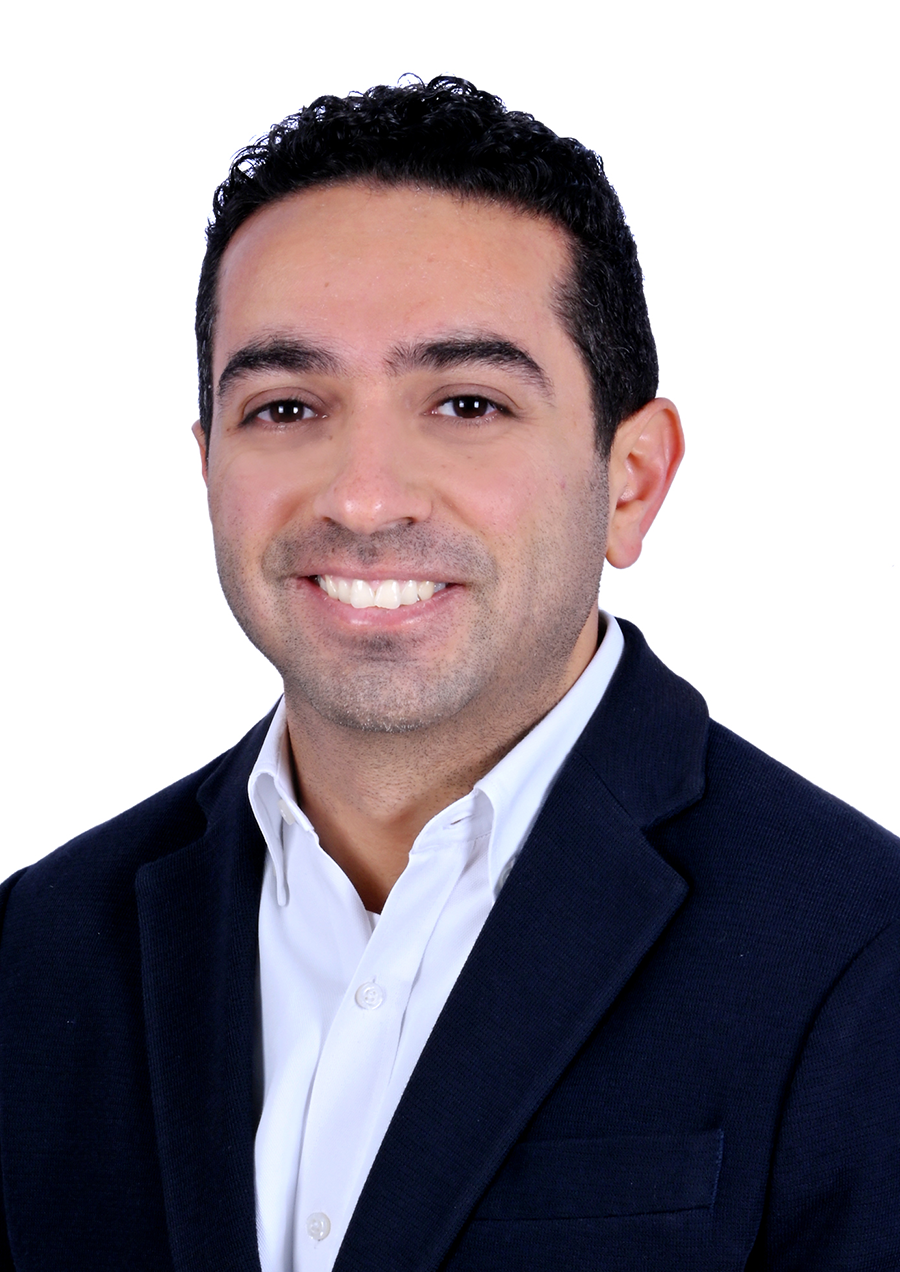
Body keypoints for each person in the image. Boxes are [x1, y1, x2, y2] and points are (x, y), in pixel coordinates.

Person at [1, 76, 898, 1272]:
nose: (365, 498)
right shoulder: (40, 947)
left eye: (468, 402)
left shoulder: (859, 955)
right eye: (286, 408)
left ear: (631, 480)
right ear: (208, 466)